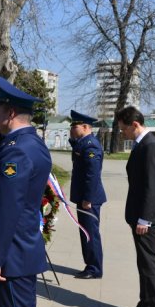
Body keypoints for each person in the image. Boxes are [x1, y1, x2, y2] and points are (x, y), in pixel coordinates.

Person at [0, 77, 52, 307]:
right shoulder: (32, 143)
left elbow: (7, 209)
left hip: (13, 254)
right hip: (24, 247)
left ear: (10, 113)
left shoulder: (16, 150)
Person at [116, 106, 155, 307]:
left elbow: (152, 186)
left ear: (134, 125)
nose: (122, 133)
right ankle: (145, 304)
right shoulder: (142, 145)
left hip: (147, 217)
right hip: (139, 215)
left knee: (149, 264)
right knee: (143, 263)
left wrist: (145, 219)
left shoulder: (151, 146)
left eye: (123, 129)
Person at [69, 110, 106, 279]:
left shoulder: (90, 145)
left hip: (88, 199)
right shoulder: (83, 142)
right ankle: (90, 265)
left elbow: (92, 175)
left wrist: (88, 199)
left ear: (85, 127)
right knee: (86, 232)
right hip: (84, 197)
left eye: (74, 126)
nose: (71, 129)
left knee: (90, 233)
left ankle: (94, 268)